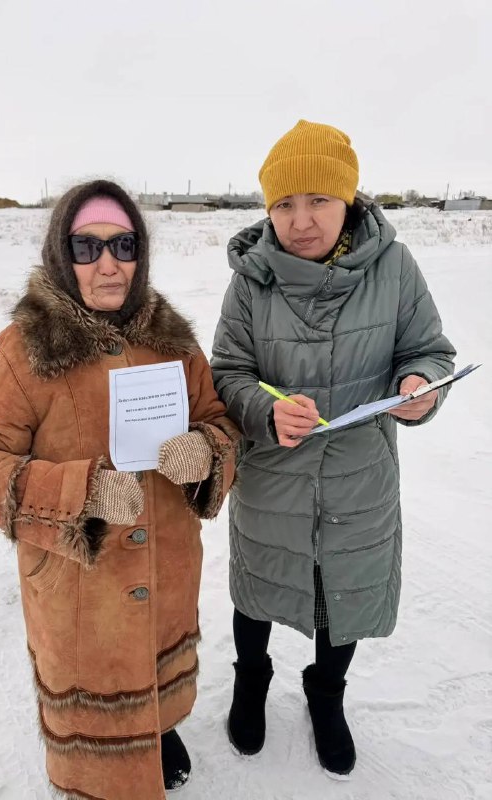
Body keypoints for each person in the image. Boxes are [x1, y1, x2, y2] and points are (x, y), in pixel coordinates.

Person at [0, 179, 238, 800]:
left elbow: (218, 418)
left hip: (167, 562)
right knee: (96, 677)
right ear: (62, 253)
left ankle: (158, 727)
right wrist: (80, 494)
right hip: (81, 583)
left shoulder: (172, 341)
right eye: (88, 247)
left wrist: (208, 450)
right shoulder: (25, 350)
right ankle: (101, 767)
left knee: (157, 657)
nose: (109, 264)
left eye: (124, 246)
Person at [211, 120, 456, 777]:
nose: (301, 220)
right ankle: (251, 679)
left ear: (347, 198)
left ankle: (326, 694)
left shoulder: (394, 267)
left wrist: (419, 386)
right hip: (272, 474)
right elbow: (226, 374)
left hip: (359, 474)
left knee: (343, 590)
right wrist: (264, 411)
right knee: (259, 583)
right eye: (283, 204)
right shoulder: (250, 281)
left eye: (318, 199)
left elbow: (427, 350)